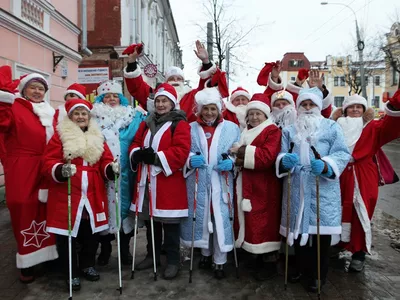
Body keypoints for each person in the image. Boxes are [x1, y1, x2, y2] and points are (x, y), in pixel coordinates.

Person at [276, 87, 351, 292]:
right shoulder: (289, 130)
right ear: (298, 108)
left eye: (311, 105)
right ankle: (301, 268)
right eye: (304, 105)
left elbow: (342, 153)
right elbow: (282, 154)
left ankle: (319, 274)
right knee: (299, 229)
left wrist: (327, 165)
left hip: (322, 185)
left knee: (320, 233)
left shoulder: (331, 127)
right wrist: (284, 161)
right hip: (297, 183)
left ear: (318, 107)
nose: (308, 109)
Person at [42, 99, 118, 290]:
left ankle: (87, 265)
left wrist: (111, 169)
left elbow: (105, 160)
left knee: (90, 232)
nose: (81, 116)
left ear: (89, 116)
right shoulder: (60, 136)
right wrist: (60, 169)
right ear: (70, 116)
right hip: (67, 193)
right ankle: (70, 272)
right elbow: (48, 161)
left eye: (84, 113)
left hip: (92, 193)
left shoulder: (97, 136)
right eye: (77, 113)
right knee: (67, 235)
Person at [0, 66, 58, 283]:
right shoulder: (13, 106)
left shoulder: (50, 111)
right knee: (23, 208)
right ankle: (27, 261)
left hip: (46, 167)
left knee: (46, 210)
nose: (37, 92)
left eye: (41, 88)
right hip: (22, 168)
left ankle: (48, 256)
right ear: (24, 90)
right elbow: (2, 125)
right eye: (33, 88)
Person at [331, 92, 400, 272]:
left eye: (358, 107)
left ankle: (359, 253)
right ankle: (336, 245)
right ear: (345, 110)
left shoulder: (374, 127)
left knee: (362, 212)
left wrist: (395, 104)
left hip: (364, 174)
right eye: (351, 107)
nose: (355, 110)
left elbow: (392, 125)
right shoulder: (334, 126)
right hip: (339, 173)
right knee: (336, 210)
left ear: (364, 110)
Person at [129, 83, 191, 279]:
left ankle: (172, 260)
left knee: (170, 224)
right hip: (147, 181)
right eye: (158, 101)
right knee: (151, 222)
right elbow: (135, 143)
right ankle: (152, 255)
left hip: (168, 182)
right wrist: (137, 154)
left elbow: (181, 151)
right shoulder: (146, 123)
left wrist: (155, 158)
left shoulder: (179, 124)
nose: (161, 104)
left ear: (172, 104)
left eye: (164, 101)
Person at [181, 87, 240, 279]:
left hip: (221, 182)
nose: (209, 113)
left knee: (220, 220)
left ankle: (220, 261)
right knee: (203, 218)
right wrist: (190, 160)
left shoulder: (232, 128)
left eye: (213, 109)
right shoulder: (189, 128)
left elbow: (237, 154)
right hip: (198, 182)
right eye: (205, 109)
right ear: (199, 109)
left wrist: (230, 162)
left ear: (220, 109)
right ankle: (205, 254)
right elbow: (182, 152)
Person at [91, 80, 147, 266]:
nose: (112, 99)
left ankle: (124, 250)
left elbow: (140, 138)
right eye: (107, 96)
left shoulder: (132, 117)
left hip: (127, 174)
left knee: (125, 213)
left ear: (121, 98)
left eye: (115, 96)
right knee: (104, 211)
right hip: (102, 174)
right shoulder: (93, 119)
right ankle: (105, 250)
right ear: (101, 99)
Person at [230, 93, 282, 281]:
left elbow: (267, 157)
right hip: (246, 182)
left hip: (264, 185)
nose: (253, 117)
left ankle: (268, 260)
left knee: (264, 221)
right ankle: (252, 255)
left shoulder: (272, 131)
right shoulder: (245, 131)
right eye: (250, 114)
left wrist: (240, 152)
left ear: (265, 115)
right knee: (250, 220)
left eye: (257, 114)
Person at [123, 41, 228, 122]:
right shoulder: (156, 96)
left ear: (183, 81)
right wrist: (132, 62)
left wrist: (206, 62)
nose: (175, 81)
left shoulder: (192, 96)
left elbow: (208, 89)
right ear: (166, 81)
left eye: (179, 78)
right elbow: (137, 87)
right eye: (172, 79)